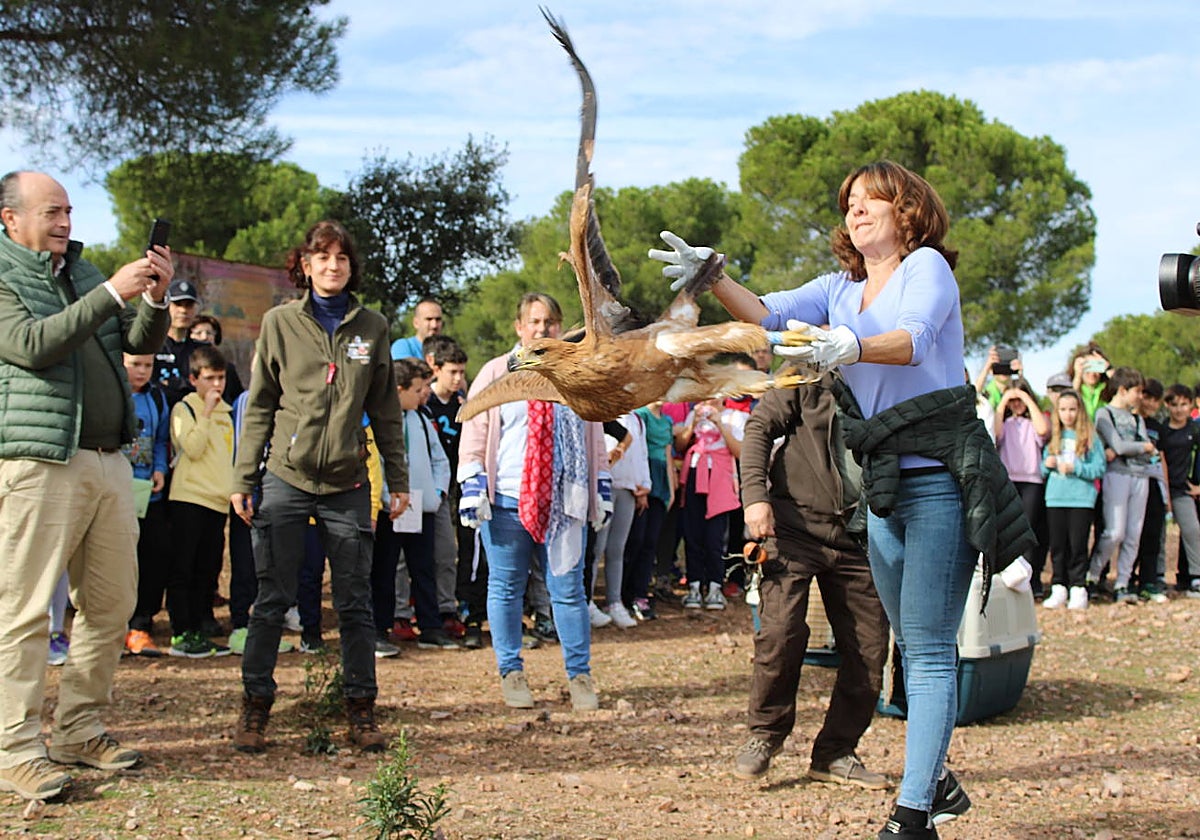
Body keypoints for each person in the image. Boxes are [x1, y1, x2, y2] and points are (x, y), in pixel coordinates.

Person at [652, 160, 1033, 838]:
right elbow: (768, 318)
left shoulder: (926, 270)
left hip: (940, 480)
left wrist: (850, 344)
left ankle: (912, 816)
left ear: (907, 210)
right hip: (880, 488)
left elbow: (914, 341)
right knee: (913, 650)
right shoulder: (838, 288)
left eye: (871, 200)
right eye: (850, 203)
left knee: (925, 645)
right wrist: (714, 278)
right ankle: (934, 774)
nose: (856, 211)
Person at [0, 169, 173, 801]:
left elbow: (133, 343)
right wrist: (108, 292)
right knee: (20, 611)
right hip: (39, 461)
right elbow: (28, 345)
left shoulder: (81, 270)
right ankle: (14, 749)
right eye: (51, 212)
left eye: (69, 210)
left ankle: (77, 729)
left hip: (108, 462)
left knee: (108, 605)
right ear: (9, 218)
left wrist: (151, 298)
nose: (66, 222)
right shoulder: (3, 275)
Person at [229, 220, 409, 755]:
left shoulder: (372, 327)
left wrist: (396, 479)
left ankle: (360, 709)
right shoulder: (279, 323)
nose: (333, 266)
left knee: (355, 603)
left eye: (342, 258)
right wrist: (244, 477)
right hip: (285, 478)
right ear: (304, 266)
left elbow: (387, 411)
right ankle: (254, 708)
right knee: (272, 599)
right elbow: (259, 405)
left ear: (351, 267)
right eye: (322, 257)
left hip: (348, 482)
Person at [733, 372, 890, 789]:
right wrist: (755, 498)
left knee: (870, 651)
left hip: (863, 535)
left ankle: (835, 753)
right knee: (781, 633)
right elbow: (759, 427)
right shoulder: (807, 369)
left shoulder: (893, 376)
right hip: (795, 528)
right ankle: (764, 735)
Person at [458, 292, 606, 711]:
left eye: (551, 322)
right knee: (505, 587)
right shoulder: (495, 372)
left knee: (569, 590)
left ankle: (579, 676)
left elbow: (594, 433)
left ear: (561, 327)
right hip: (507, 499)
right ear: (519, 327)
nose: (543, 329)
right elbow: (475, 430)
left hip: (564, 502)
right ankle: (511, 670)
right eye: (535, 322)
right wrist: (472, 482)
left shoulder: (576, 371)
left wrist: (602, 485)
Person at [371, 357, 459, 653]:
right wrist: (387, 497)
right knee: (385, 570)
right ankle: (380, 627)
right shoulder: (379, 421)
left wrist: (436, 493)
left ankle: (430, 627)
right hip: (390, 510)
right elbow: (376, 464)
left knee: (424, 567)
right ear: (398, 389)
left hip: (422, 506)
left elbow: (439, 460)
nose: (425, 394)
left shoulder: (421, 419)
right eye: (418, 389)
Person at [166, 345, 235, 657]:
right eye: (209, 378)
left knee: (208, 570)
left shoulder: (229, 412)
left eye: (220, 378)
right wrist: (206, 411)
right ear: (194, 379)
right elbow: (192, 448)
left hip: (218, 503)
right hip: (189, 499)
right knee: (184, 567)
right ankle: (181, 632)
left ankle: (200, 627)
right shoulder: (186, 408)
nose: (216, 385)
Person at [1086, 367, 1159, 604]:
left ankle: (1122, 583)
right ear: (1123, 390)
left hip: (1140, 476)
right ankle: (1093, 574)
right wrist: (1142, 448)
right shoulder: (1105, 414)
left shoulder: (1137, 418)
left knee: (1133, 533)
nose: (1140, 397)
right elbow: (1118, 446)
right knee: (1114, 531)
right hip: (1116, 476)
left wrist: (1139, 448)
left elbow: (1147, 449)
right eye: (1137, 391)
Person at [674, 396, 747, 610]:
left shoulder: (737, 417)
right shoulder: (695, 413)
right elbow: (681, 444)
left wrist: (720, 423)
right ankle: (695, 585)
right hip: (696, 472)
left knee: (715, 535)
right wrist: (694, 423)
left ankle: (716, 585)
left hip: (720, 477)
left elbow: (740, 451)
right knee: (692, 533)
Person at [122, 352, 171, 656]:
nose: (142, 372)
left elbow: (163, 440)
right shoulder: (111, 394)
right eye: (135, 365)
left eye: (147, 366)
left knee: (154, 556)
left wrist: (160, 469)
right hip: (114, 490)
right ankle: (115, 626)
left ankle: (141, 625)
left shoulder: (157, 399)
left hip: (148, 493)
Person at [1041, 390, 1107, 610]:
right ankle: (1058, 584)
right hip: (1055, 498)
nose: (1068, 415)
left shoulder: (1091, 438)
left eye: (1072, 409)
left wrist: (1076, 467)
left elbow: (1099, 467)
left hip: (1081, 499)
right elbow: (1042, 468)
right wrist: (1047, 464)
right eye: (1063, 410)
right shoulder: (1053, 437)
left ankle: (1078, 586)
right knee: (1058, 545)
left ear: (1079, 410)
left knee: (1078, 544)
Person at [993, 381, 1049, 598]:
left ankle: (1031, 578)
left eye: (1020, 400)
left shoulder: (1034, 423)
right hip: (1008, 480)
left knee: (1030, 529)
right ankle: (1010, 575)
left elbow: (1043, 429)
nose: (1017, 404)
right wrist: (1005, 399)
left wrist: (1025, 398)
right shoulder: (1005, 424)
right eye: (1013, 401)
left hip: (1032, 480)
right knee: (1009, 530)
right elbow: (995, 431)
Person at [1156, 385, 1200, 598]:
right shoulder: (1162, 430)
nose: (1179, 409)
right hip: (1162, 489)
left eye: (1184, 404)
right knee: (1160, 534)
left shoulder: (1194, 429)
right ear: (1167, 405)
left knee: (1192, 529)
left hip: (1183, 490)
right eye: (1174, 404)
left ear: (1191, 405)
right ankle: (1159, 576)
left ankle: (1196, 576)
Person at [1132, 379, 1168, 601]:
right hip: (1131, 479)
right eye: (1147, 397)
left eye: (1156, 400)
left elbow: (1162, 458)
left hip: (1153, 482)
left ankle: (1148, 581)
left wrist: (1166, 492)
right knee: (1130, 533)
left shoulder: (1157, 426)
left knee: (1153, 533)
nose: (1151, 403)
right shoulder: (1128, 420)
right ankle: (1122, 580)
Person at [154, 278, 202, 405]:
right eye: (178, 304)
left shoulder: (202, 350)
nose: (183, 310)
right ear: (167, 305)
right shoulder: (153, 345)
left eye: (188, 305)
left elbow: (206, 386)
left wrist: (174, 383)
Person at [189, 313, 245, 404]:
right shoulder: (187, 364)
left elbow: (237, 396)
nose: (204, 337)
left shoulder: (227, 368)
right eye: (198, 333)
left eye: (209, 333)